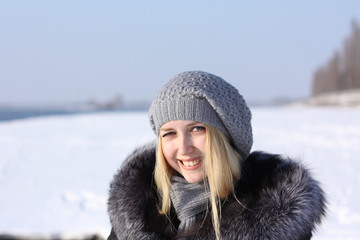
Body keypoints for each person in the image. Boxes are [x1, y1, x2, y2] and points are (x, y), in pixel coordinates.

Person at [107, 71, 326, 240]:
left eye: (197, 129)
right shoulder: (138, 210)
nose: (183, 147)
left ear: (226, 136)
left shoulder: (273, 219)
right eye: (170, 134)